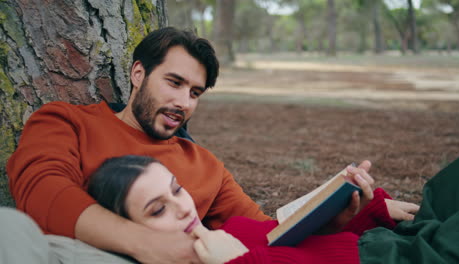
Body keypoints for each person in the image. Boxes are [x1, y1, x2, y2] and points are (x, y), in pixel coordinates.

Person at [2, 27, 408, 263]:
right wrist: (151, 246)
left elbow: (266, 232)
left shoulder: (204, 164)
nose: (184, 103)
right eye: (174, 83)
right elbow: (41, 191)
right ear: (138, 73)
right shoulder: (68, 121)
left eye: (195, 92)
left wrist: (340, 216)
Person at [87, 155, 422, 264]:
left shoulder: (234, 228)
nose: (182, 208)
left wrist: (362, 211)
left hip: (386, 241)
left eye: (177, 190)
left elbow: (304, 244)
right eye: (157, 210)